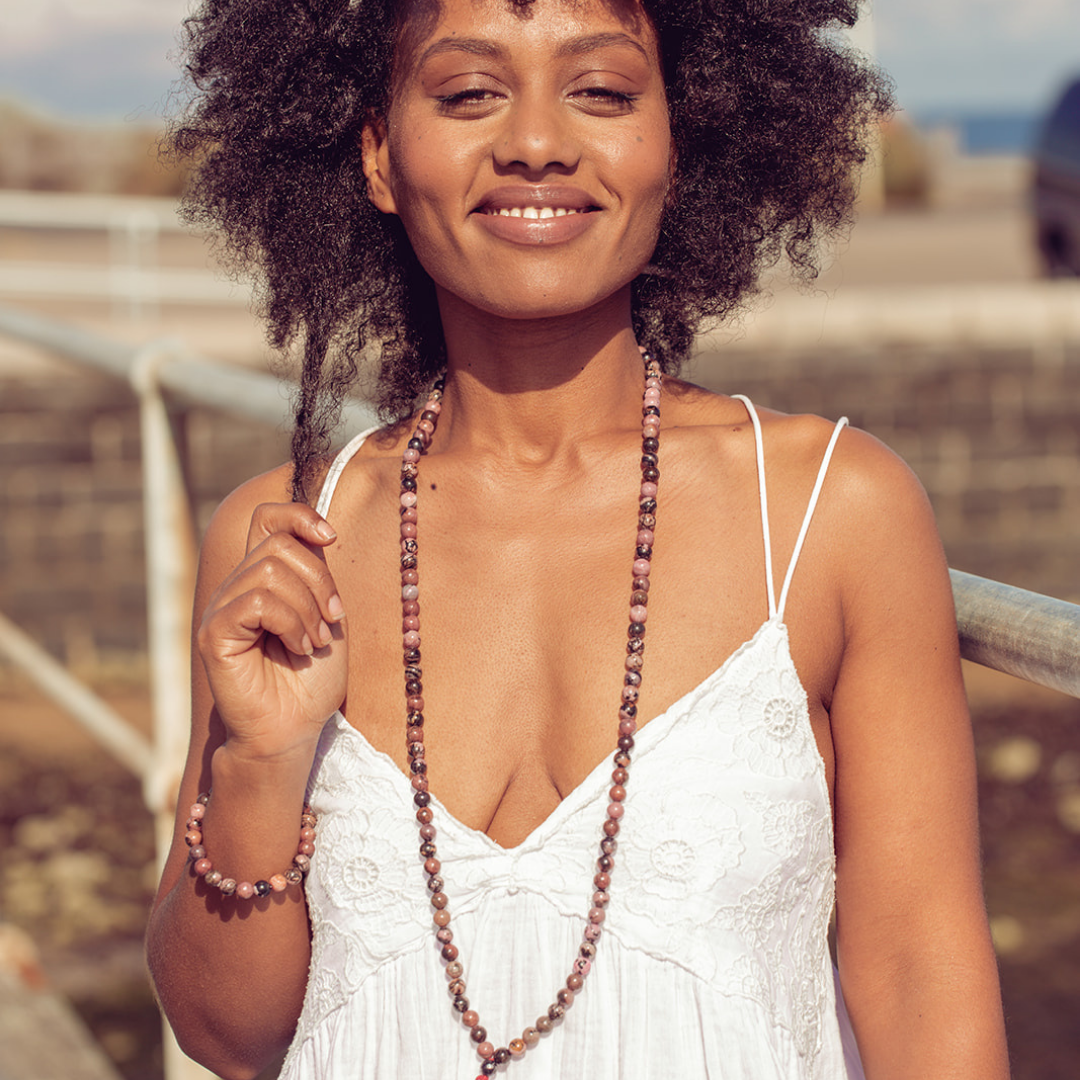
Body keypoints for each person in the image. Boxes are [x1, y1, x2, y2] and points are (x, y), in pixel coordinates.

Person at [146, 1, 1010, 1077]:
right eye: (469, 94)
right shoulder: (285, 543)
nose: (538, 142)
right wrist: (263, 760)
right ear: (377, 154)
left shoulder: (833, 513)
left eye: (600, 91)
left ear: (678, 142)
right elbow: (230, 1039)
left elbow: (924, 981)